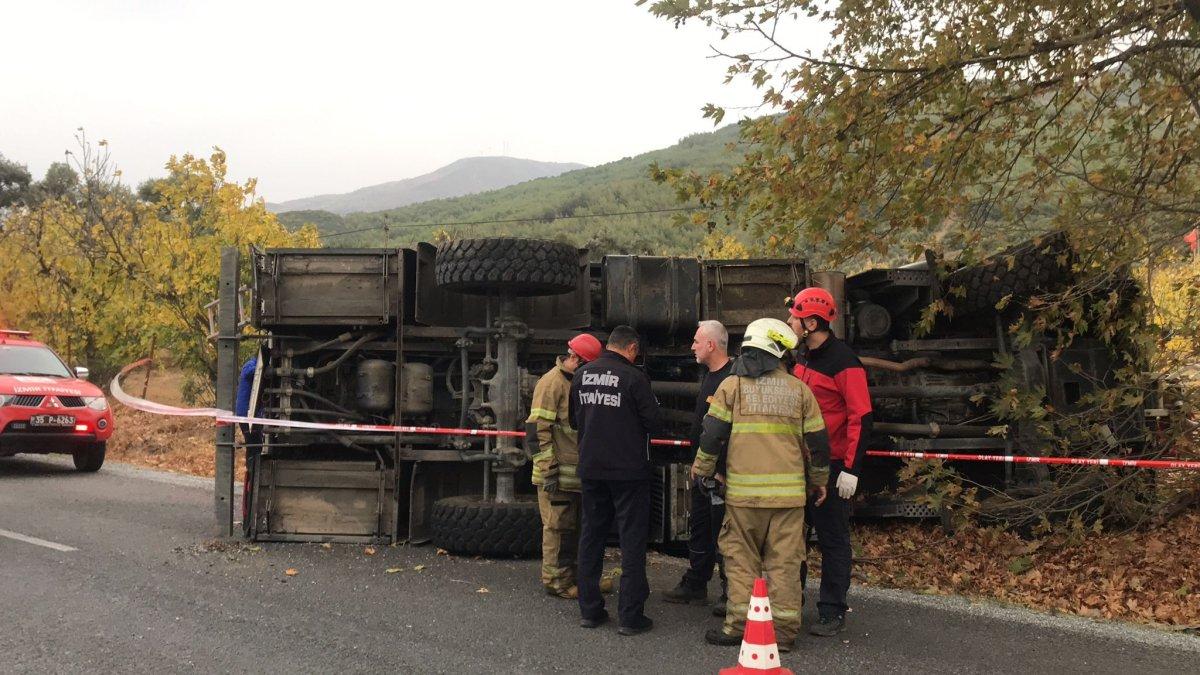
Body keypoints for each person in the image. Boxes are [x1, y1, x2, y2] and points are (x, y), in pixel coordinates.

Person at [693, 318, 830, 650]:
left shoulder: (732, 387)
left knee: (740, 562)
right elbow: (819, 444)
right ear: (780, 353)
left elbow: (712, 435)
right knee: (784, 565)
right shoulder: (799, 390)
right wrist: (819, 481)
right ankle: (782, 635)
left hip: (743, 499)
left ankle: (738, 626)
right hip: (787, 501)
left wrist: (702, 469)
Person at [786, 288, 874, 637]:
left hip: (834, 465)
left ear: (810, 322)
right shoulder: (802, 357)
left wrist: (851, 469)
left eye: (794, 316)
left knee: (833, 539)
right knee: (793, 537)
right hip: (801, 463)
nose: (789, 321)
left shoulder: (845, 362)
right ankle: (792, 601)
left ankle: (832, 609)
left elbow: (861, 417)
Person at [570, 325, 661, 636]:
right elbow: (653, 422)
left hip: (591, 469)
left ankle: (590, 611)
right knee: (631, 542)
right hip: (629, 472)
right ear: (632, 348)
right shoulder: (635, 378)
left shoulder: (581, 375)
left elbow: (573, 420)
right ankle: (630, 617)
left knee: (591, 538)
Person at [524, 333, 602, 599]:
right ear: (574, 359)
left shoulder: (573, 381)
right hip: (556, 475)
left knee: (577, 529)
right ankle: (557, 582)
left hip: (575, 475)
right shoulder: (551, 383)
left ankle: (580, 580)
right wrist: (549, 469)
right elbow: (537, 431)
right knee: (558, 529)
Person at [664, 320, 733, 614]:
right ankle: (696, 583)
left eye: (696, 341)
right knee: (701, 527)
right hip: (702, 470)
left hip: (719, 474)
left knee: (725, 533)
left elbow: (730, 430)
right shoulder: (710, 375)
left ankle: (731, 592)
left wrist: (719, 469)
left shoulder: (731, 380)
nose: (691, 346)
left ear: (711, 345)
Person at [235, 355, 261, 536]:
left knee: (255, 451)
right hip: (246, 417)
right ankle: (248, 512)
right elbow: (254, 371)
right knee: (253, 455)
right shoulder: (250, 366)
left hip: (251, 417)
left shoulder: (252, 367)